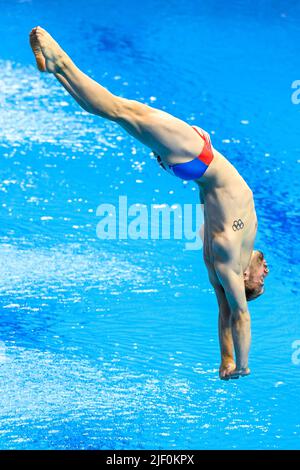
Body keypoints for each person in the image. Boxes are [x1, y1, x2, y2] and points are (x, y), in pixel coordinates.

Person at [29, 26, 269, 380]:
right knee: (119, 113)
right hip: (194, 166)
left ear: (245, 277)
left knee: (118, 109)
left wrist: (244, 364)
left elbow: (239, 315)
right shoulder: (229, 254)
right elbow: (225, 312)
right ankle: (57, 70)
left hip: (198, 158)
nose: (266, 273)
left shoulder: (229, 253)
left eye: (261, 281)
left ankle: (59, 61)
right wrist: (227, 361)